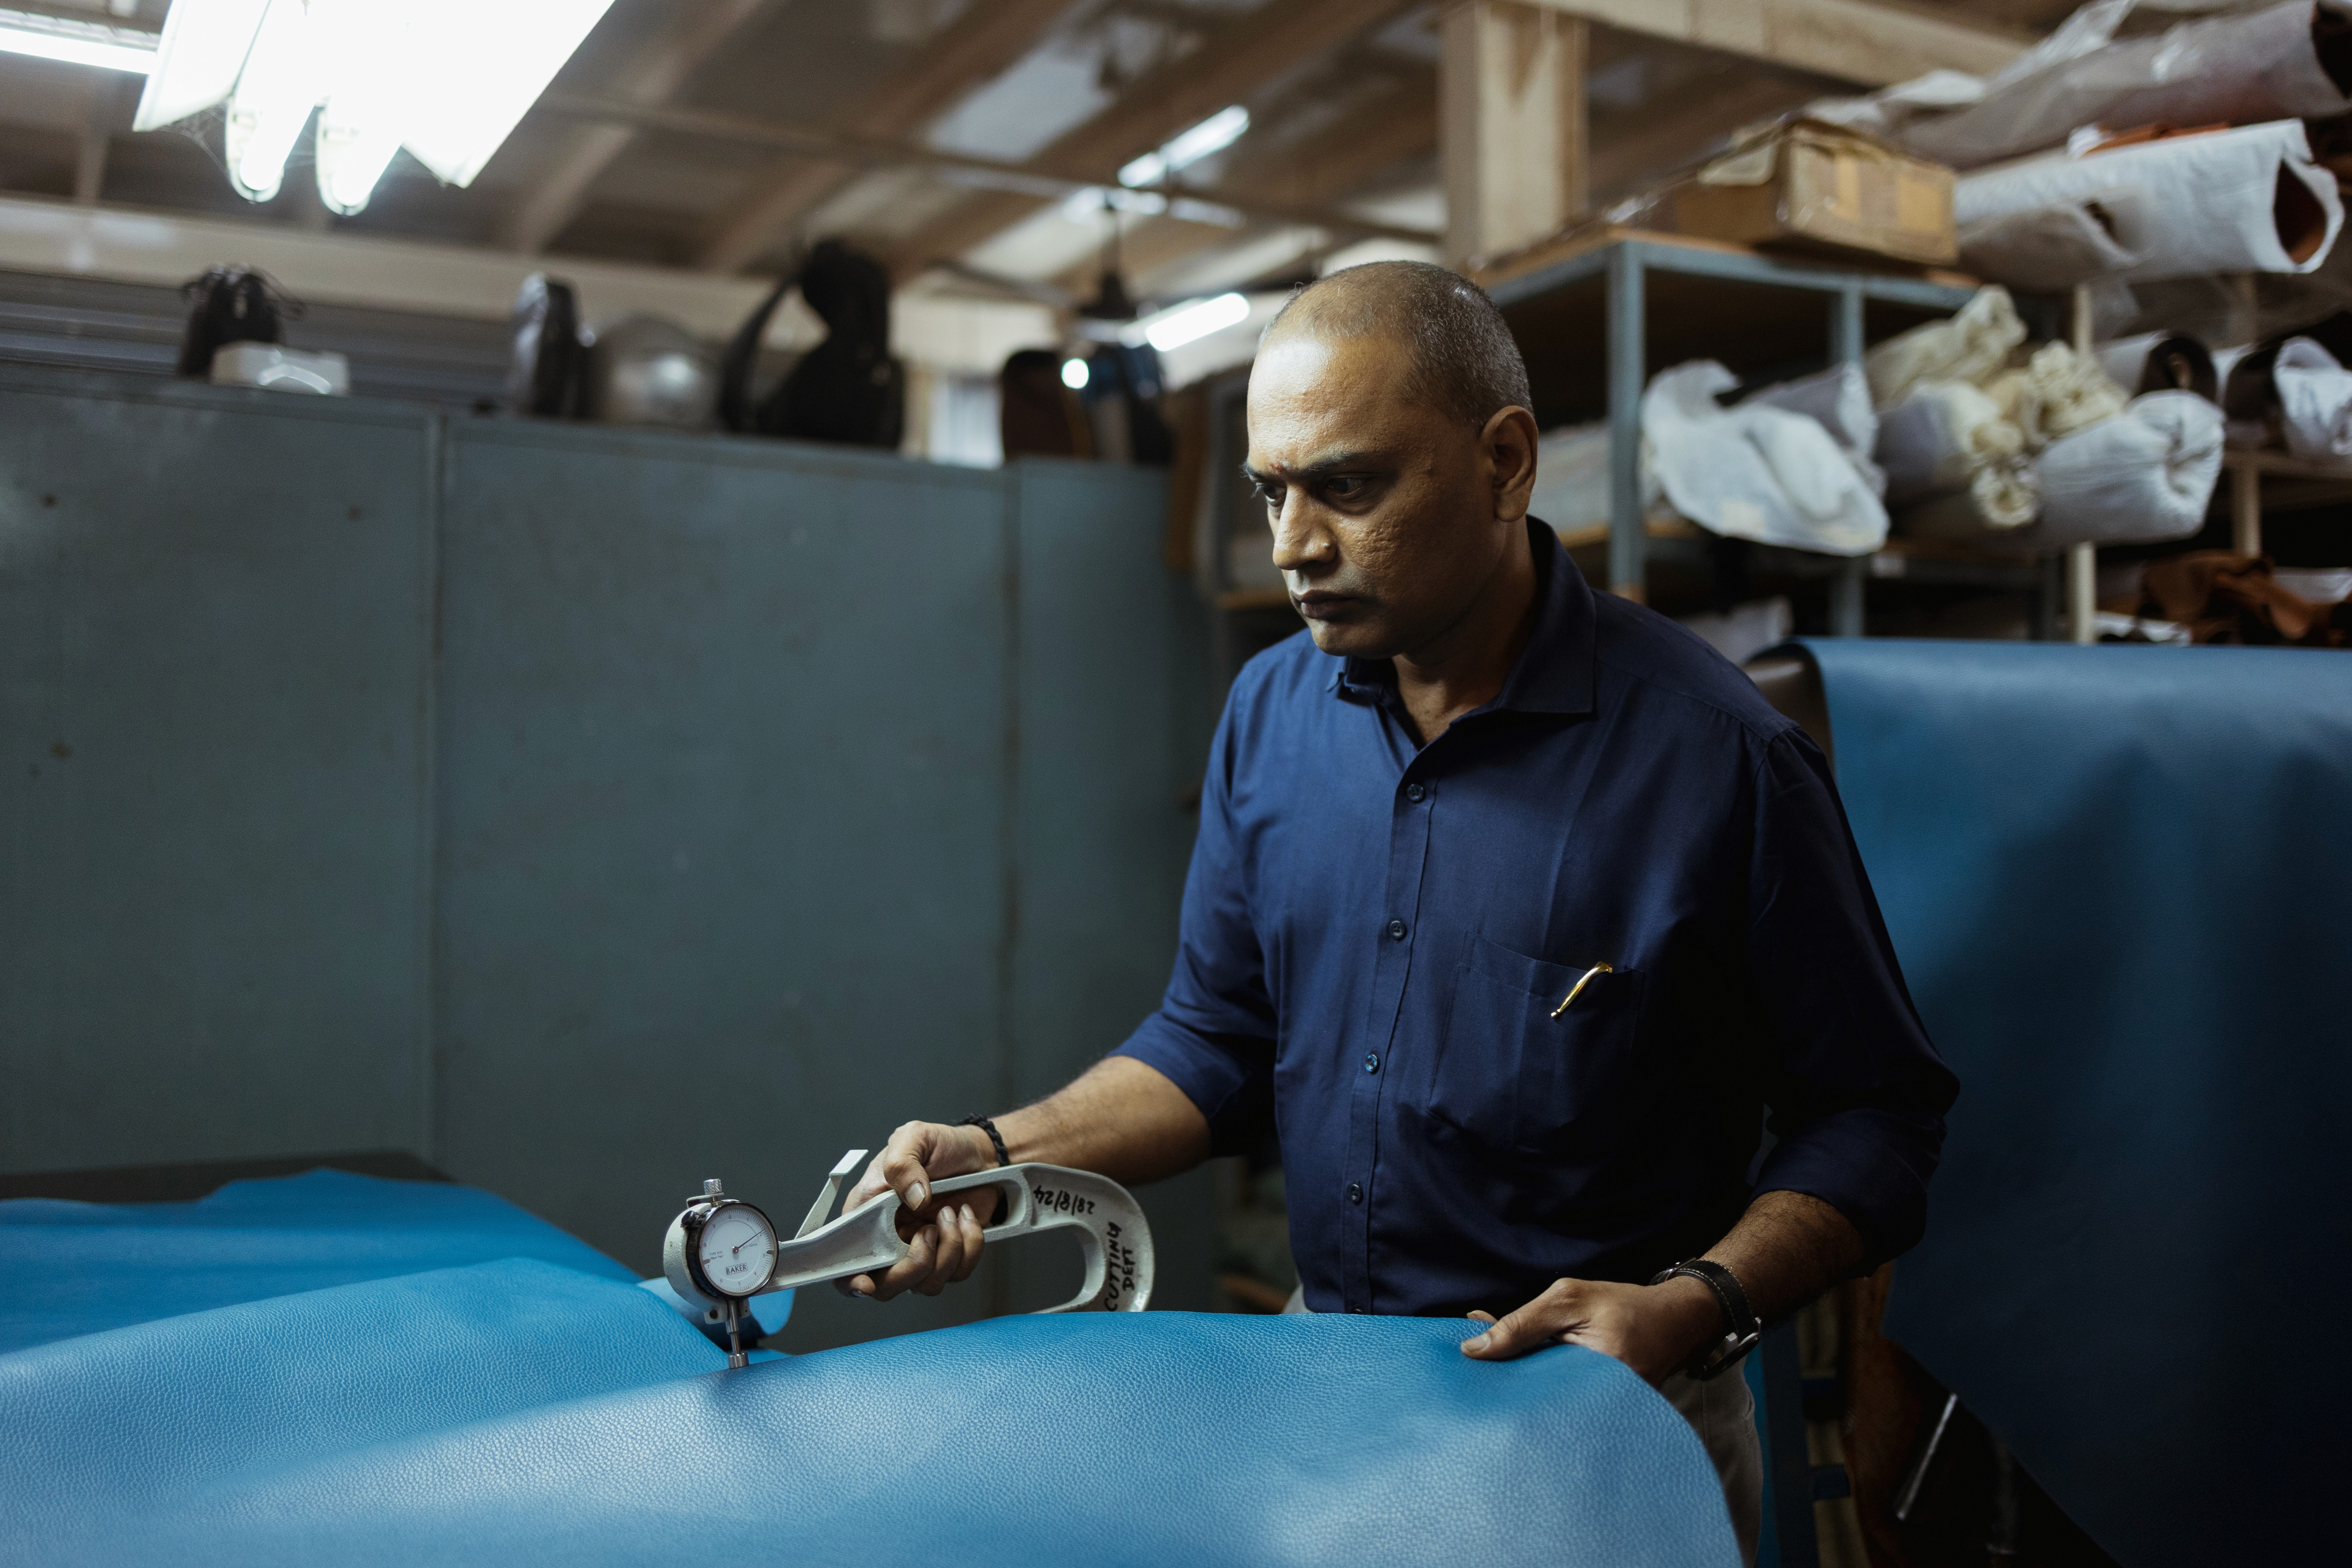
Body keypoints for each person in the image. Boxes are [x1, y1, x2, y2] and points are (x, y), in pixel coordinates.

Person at [839, 260, 1958, 1562]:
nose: (1293, 546)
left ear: (1504, 462)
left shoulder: (1719, 761)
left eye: (1348, 487)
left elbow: (1879, 1115)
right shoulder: (1271, 713)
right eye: (1272, 491)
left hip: (1604, 1414)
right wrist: (1000, 1147)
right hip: (1333, 1388)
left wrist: (1695, 1305)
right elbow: (1217, 1041)